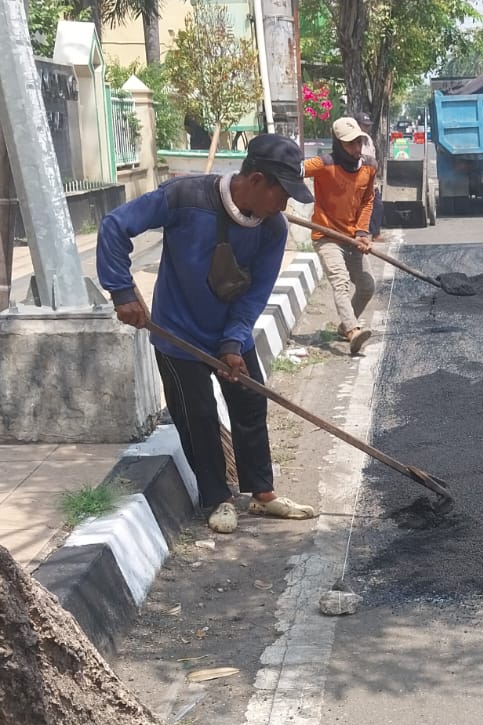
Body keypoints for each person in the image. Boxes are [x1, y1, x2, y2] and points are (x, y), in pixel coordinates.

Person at [99, 133, 319, 535]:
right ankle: (217, 498)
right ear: (255, 181)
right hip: (177, 333)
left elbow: (254, 295)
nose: (284, 205)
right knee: (197, 415)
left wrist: (234, 342)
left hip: (228, 332)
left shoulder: (272, 229)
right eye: (282, 194)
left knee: (250, 403)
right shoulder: (184, 197)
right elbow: (115, 225)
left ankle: (262, 493)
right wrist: (122, 291)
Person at [304, 116, 378, 355]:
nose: (356, 149)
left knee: (367, 286)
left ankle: (344, 325)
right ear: (338, 144)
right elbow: (296, 170)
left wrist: (363, 232)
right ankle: (352, 330)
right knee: (341, 281)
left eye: (358, 142)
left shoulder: (369, 166)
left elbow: (367, 201)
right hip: (326, 235)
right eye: (350, 144)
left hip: (352, 237)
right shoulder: (323, 164)